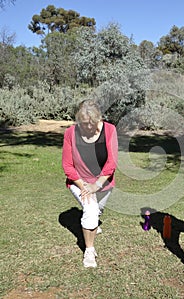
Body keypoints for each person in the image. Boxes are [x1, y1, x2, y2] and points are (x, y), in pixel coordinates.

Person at [62, 99, 118, 268]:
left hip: (103, 183)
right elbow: (67, 165)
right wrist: (84, 187)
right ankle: (89, 250)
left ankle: (93, 223)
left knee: (97, 210)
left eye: (91, 123)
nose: (87, 127)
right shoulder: (70, 133)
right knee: (91, 210)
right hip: (79, 182)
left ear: (99, 119)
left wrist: (97, 185)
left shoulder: (110, 130)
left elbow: (111, 162)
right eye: (83, 123)